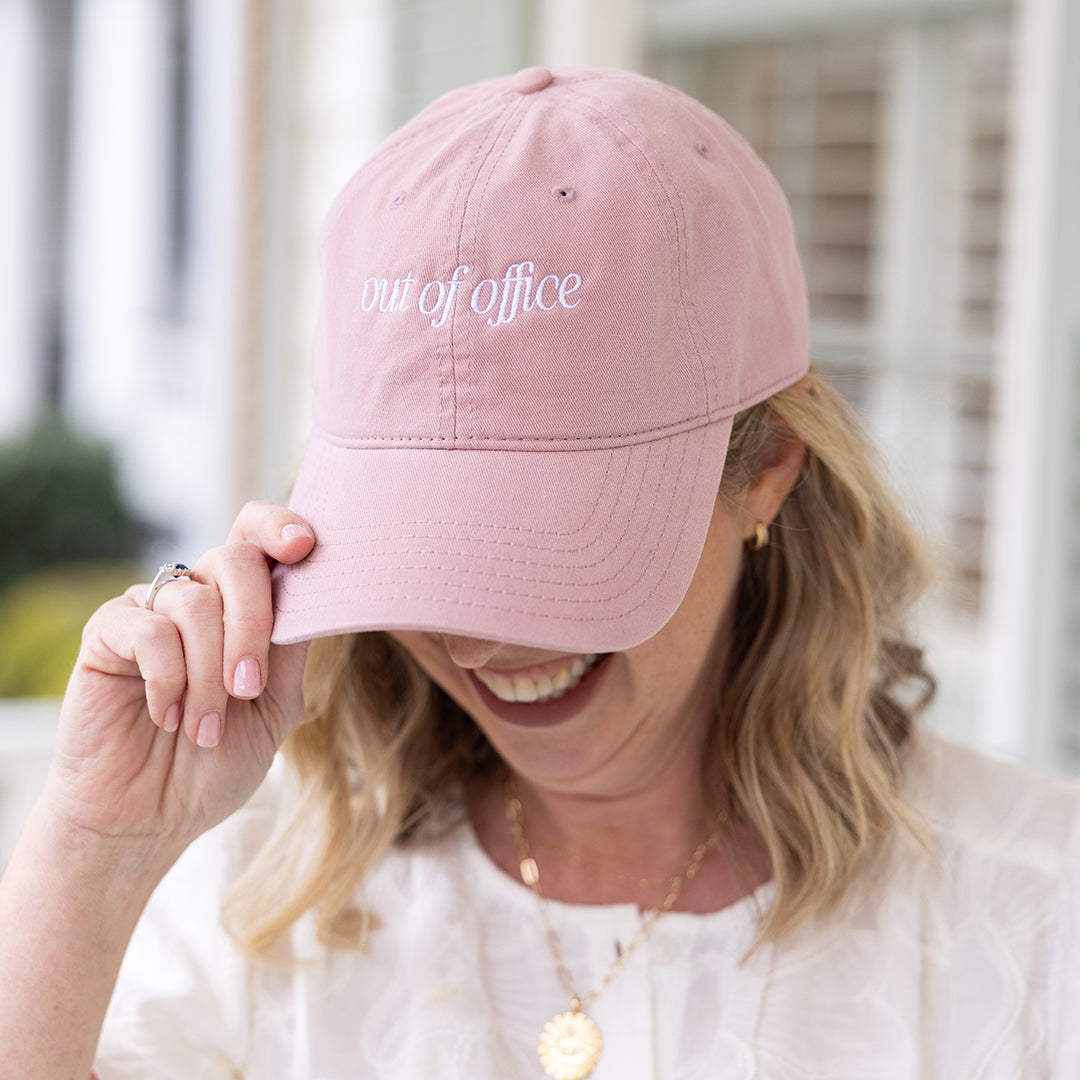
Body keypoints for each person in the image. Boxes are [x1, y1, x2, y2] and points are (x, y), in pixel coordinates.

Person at [2, 66, 1078, 1080]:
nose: (474, 643)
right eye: (423, 546)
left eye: (552, 547)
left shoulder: (1034, 918)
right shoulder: (252, 901)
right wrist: (96, 850)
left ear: (767, 474)